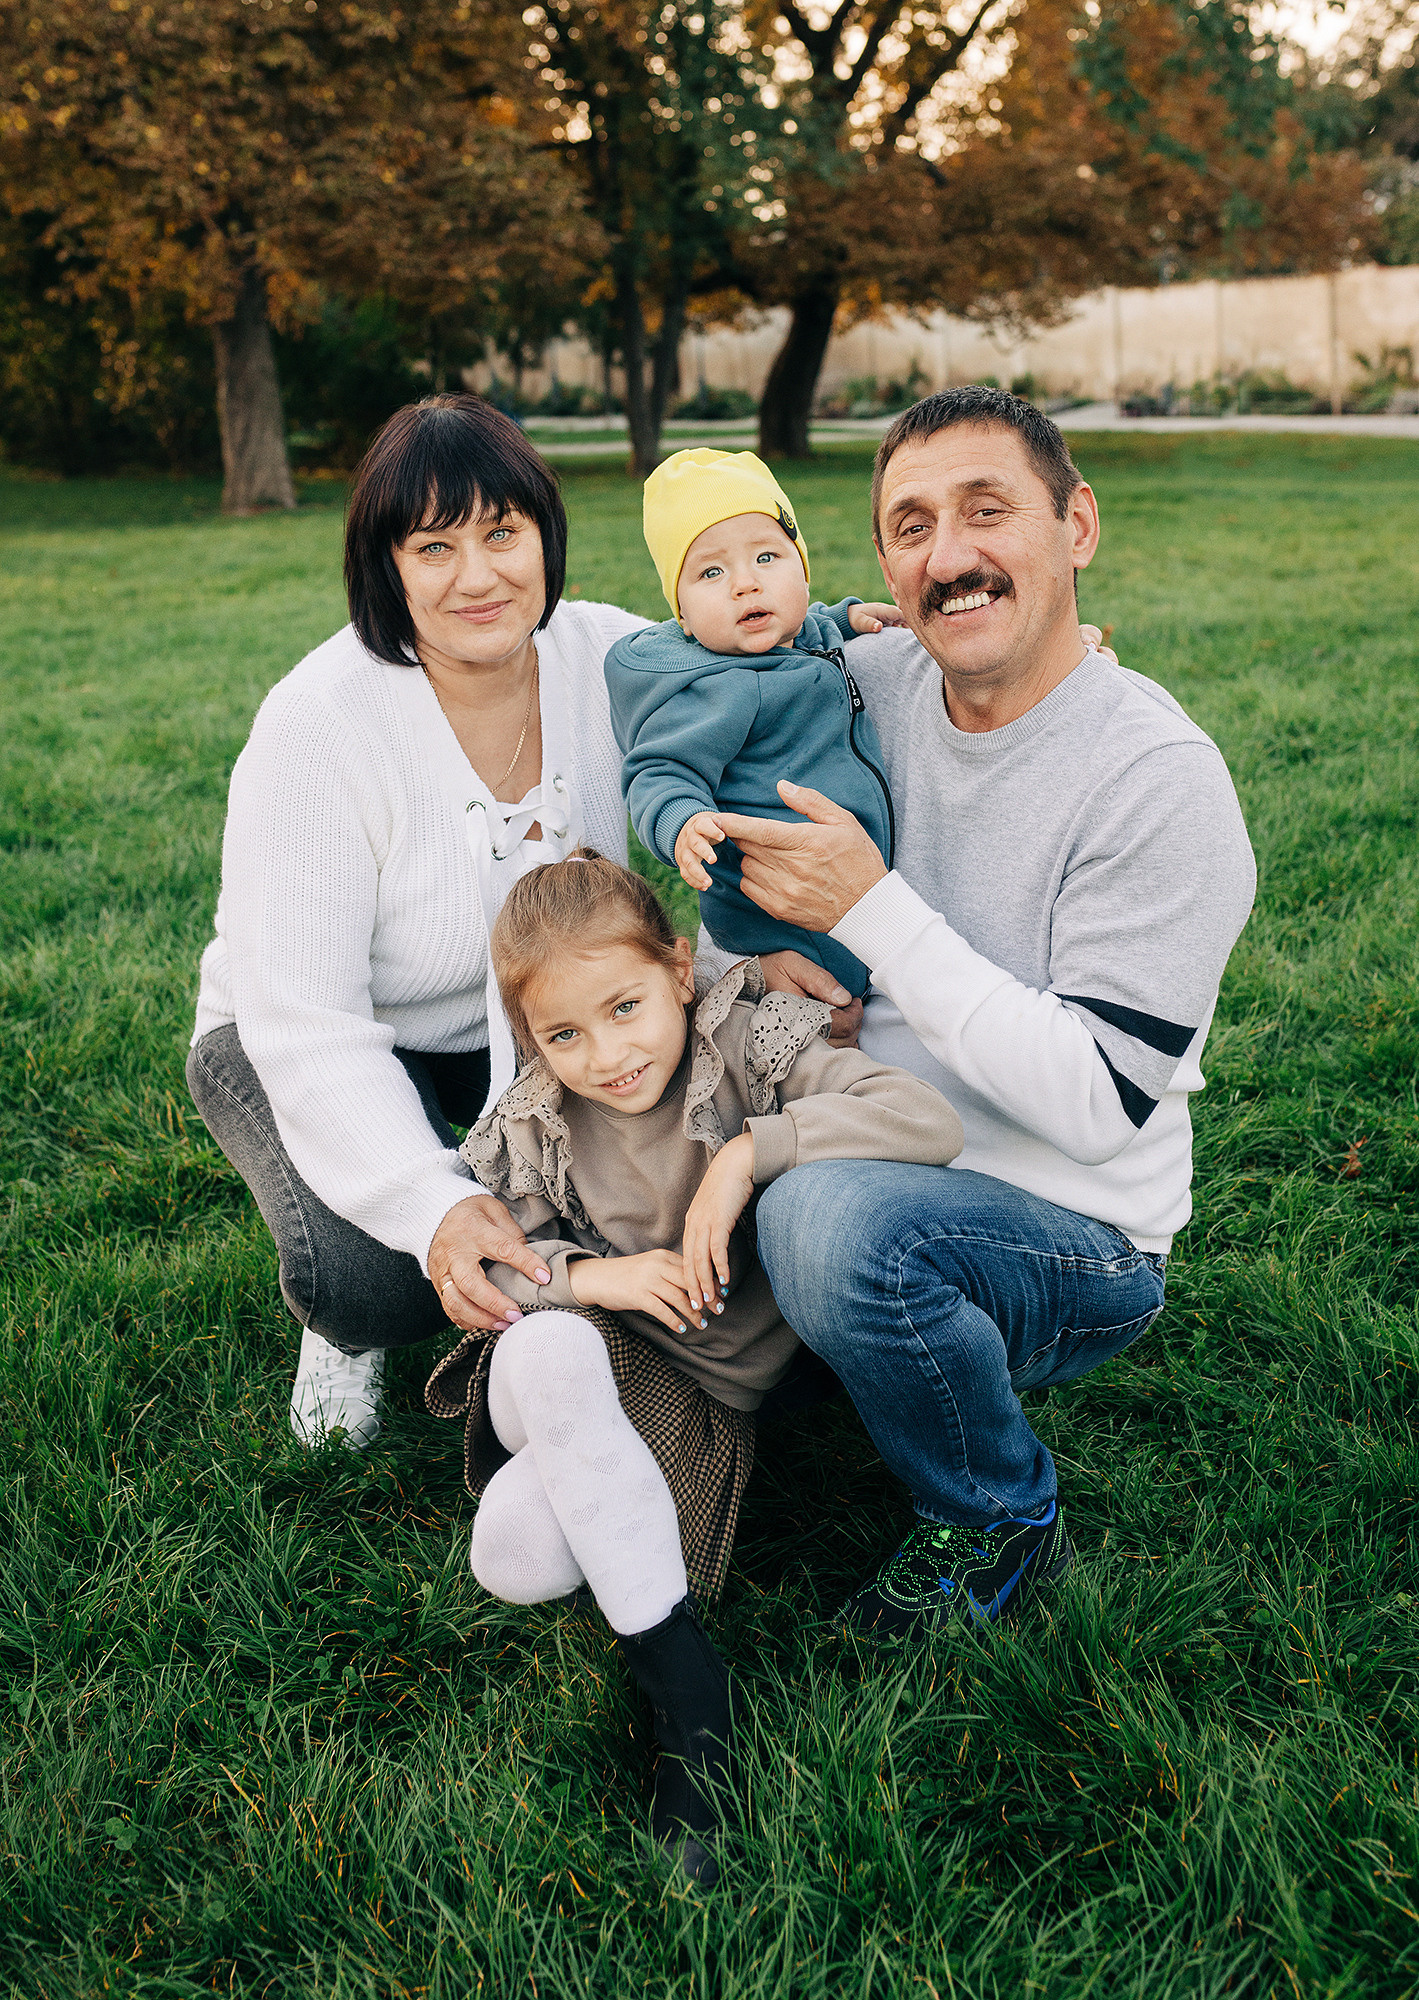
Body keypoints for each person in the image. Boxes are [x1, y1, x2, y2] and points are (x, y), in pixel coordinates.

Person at [703, 387, 1257, 1645]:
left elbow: (1097, 1106)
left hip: (1071, 1221)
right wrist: (760, 962)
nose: (948, 556)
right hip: (862, 1123)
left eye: (986, 511)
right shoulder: (865, 683)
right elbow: (689, 709)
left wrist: (877, 910)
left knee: (830, 1226)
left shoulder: (1158, 778)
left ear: (1077, 525)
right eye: (911, 525)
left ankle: (998, 1512)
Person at [425, 848, 963, 1881]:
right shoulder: (539, 1118)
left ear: (679, 968)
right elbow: (498, 1274)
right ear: (532, 1037)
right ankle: (689, 1699)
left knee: (518, 1554)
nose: (606, 1053)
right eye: (564, 1032)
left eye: (626, 1005)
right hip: (591, 1355)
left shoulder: (746, 1045)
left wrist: (747, 1153)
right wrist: (601, 1282)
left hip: (698, 1397)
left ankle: (597, 1505)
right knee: (544, 1341)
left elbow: (927, 1120)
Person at [186, 394, 666, 1448]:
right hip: (296, 1035)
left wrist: (903, 642)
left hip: (536, 1028)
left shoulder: (610, 658)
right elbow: (303, 1017)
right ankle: (339, 1323)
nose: (481, 575)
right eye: (435, 545)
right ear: (386, 567)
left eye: (504, 531)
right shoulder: (317, 724)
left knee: (643, 1198)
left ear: (546, 535)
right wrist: (431, 1202)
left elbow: (764, 658)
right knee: (385, 1279)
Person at [605, 448, 903, 999]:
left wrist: (844, 617)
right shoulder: (715, 691)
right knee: (821, 1041)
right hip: (774, 919)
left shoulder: (797, 639)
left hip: (846, 888)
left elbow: (809, 629)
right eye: (711, 572)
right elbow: (657, 771)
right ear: (684, 617)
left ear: (802, 568)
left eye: (766, 557)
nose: (745, 584)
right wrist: (684, 823)